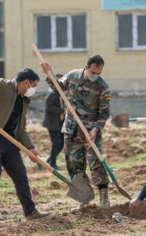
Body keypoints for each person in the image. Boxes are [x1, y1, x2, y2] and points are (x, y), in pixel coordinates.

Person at [0, 68, 51, 224]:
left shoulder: (24, 100)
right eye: (33, 85)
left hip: (9, 141)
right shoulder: (1, 85)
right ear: (26, 82)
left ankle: (30, 211)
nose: (33, 89)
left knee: (20, 175)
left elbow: (20, 129)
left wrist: (30, 147)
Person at [41, 55, 112, 208]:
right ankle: (84, 197)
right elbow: (58, 87)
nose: (96, 76)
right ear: (86, 67)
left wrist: (95, 128)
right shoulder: (73, 76)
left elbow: (104, 113)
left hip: (91, 132)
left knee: (96, 162)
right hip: (71, 129)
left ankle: (104, 196)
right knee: (74, 164)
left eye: (99, 73)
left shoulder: (102, 86)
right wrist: (49, 74)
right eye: (93, 72)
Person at [42, 74, 65, 170]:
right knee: (56, 143)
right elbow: (49, 107)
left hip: (60, 123)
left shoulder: (61, 94)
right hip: (53, 124)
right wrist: (61, 110)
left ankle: (48, 161)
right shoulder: (52, 94)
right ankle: (52, 163)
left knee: (61, 143)